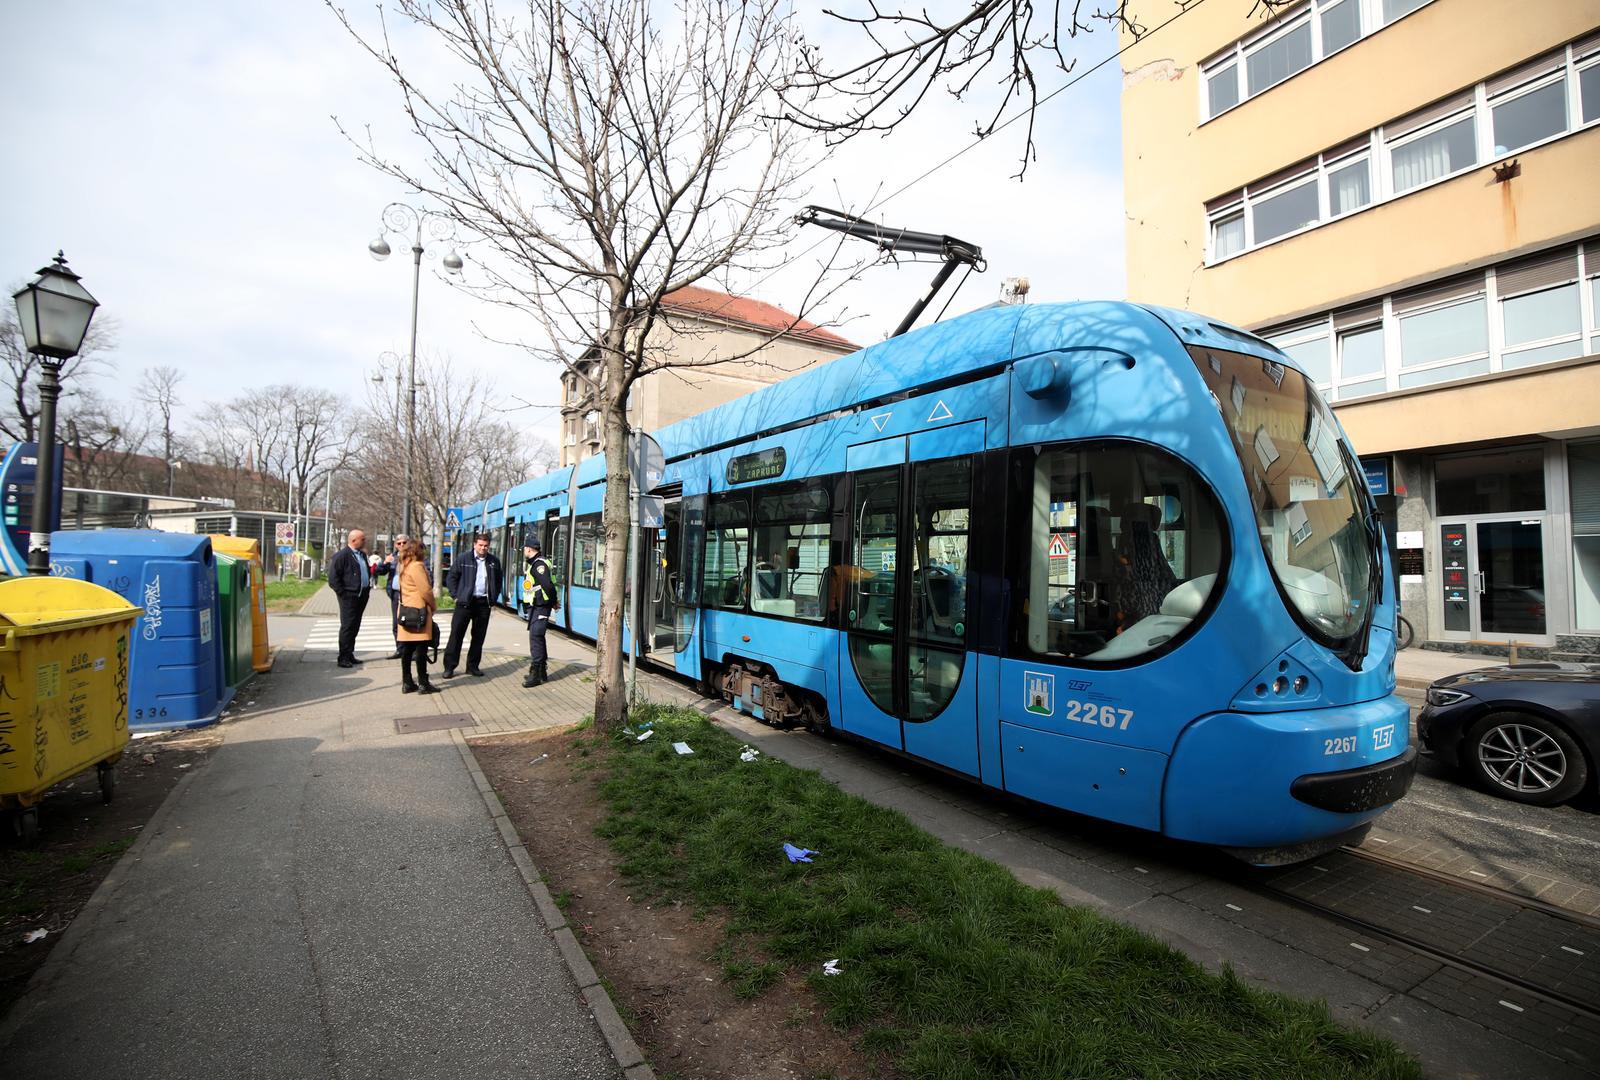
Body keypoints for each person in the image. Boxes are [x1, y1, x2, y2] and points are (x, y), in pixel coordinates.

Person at [442, 533, 502, 678]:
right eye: (480, 545)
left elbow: (498, 580)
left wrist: (493, 598)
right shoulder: (463, 559)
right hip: (464, 603)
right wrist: (456, 596)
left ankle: (472, 666)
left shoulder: (493, 561)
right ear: (475, 544)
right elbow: (451, 578)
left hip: (483, 604)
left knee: (478, 637)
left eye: (486, 545)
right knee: (456, 635)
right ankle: (449, 667)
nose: (483, 548)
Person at [394, 537, 438, 694]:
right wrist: (433, 606)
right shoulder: (417, 566)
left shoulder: (403, 565)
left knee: (407, 650)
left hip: (406, 610)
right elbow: (425, 590)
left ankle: (407, 682)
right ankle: (423, 683)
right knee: (421, 649)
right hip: (418, 611)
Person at [328, 528, 373, 669]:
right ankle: (343, 656)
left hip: (361, 595)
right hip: (349, 596)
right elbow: (333, 579)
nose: (364, 541)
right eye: (362, 539)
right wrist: (343, 594)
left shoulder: (361, 555)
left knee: (355, 625)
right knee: (347, 626)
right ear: (354, 540)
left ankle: (350, 653)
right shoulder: (342, 556)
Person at [522, 540, 558, 688]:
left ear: (529, 549)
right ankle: (541, 671)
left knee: (536, 637)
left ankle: (536, 673)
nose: (523, 551)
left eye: (524, 548)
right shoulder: (536, 563)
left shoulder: (539, 565)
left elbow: (547, 585)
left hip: (541, 606)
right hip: (537, 606)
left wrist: (553, 601)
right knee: (538, 637)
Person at [375, 535, 410, 660]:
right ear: (395, 545)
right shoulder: (392, 557)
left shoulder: (415, 556)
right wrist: (385, 562)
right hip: (396, 594)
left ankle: (412, 651)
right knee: (396, 623)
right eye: (398, 543)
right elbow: (379, 571)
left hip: (410, 594)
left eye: (404, 542)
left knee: (410, 621)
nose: (401, 545)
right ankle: (399, 649)